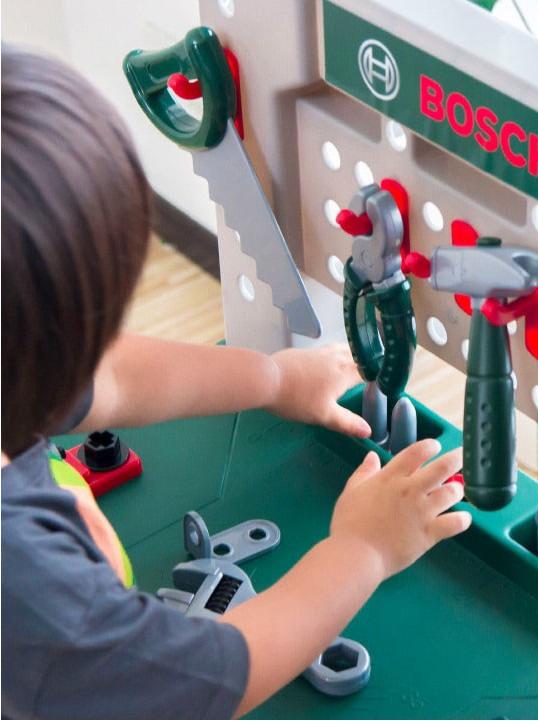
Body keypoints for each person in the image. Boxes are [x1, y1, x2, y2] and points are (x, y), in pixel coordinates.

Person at [1, 46, 471, 719]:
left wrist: (272, 377)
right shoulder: (31, 588)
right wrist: (362, 549)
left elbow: (114, 377)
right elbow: (193, 685)